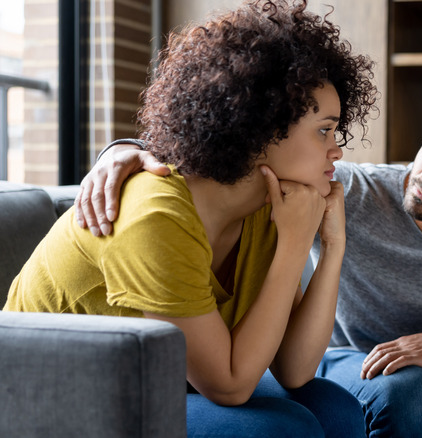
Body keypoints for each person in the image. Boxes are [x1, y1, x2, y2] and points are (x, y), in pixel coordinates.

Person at [74, 80, 422, 437]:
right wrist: (121, 150)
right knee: (406, 390)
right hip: (349, 363)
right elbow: (225, 152)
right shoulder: (352, 189)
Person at [3, 1, 377, 437]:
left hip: (158, 381)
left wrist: (332, 248)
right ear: (260, 126)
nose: (337, 150)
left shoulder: (266, 208)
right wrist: (294, 244)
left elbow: (295, 369)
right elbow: (231, 386)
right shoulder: (155, 213)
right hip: (54, 396)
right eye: (323, 130)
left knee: (336, 410)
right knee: (281, 428)